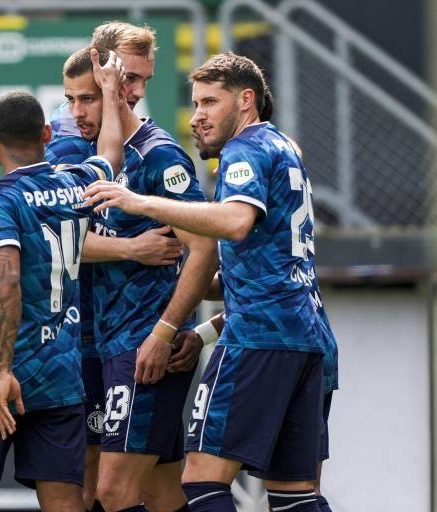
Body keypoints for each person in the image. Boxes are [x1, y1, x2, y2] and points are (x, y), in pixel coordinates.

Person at [85, 52, 330, 512]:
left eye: (210, 103)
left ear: (246, 101)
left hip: (257, 339)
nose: (198, 117)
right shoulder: (284, 147)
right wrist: (202, 332)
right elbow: (264, 270)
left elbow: (235, 222)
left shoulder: (247, 148)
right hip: (306, 338)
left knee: (200, 482)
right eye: (195, 104)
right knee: (295, 498)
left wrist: (141, 202)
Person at [0, 49, 123, 512]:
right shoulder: (80, 183)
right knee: (64, 502)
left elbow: (6, 279)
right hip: (60, 374)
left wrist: (2, 369)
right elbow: (111, 154)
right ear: (45, 134)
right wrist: (113, 94)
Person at [49, 46, 217, 512]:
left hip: (142, 346)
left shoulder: (161, 156)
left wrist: (168, 332)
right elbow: (51, 243)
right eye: (70, 100)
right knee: (160, 493)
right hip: (103, 344)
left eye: (87, 99)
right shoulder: (77, 151)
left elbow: (204, 249)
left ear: (116, 91)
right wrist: (129, 248)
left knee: (112, 491)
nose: (76, 112)